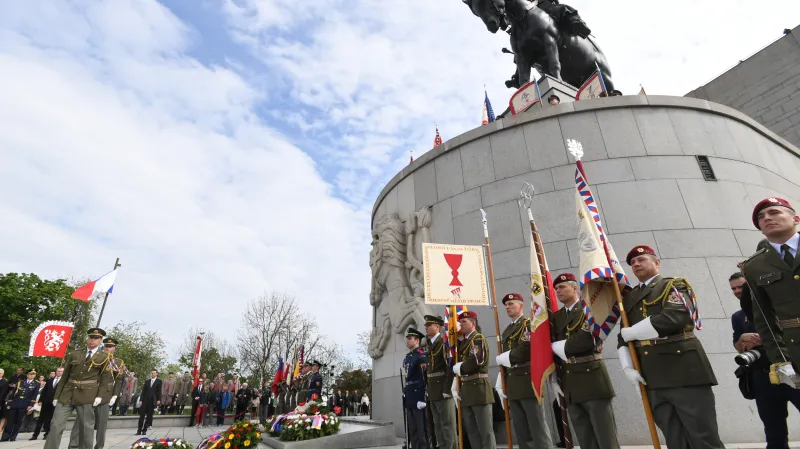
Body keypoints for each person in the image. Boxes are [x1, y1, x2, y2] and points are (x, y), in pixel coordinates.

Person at [617, 245, 723, 449]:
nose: (636, 264)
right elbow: (623, 337)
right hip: (651, 374)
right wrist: (627, 367)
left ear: (657, 263)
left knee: (703, 437)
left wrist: (635, 332)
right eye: (632, 263)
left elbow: (676, 316)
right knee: (674, 439)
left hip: (683, 370)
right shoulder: (629, 298)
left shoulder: (673, 285)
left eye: (642, 259)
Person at [549, 275, 620, 449]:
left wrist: (553, 347)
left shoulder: (589, 308)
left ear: (575, 288)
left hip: (591, 376)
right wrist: (554, 378)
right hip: (569, 380)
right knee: (584, 437)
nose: (558, 291)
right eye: (556, 288)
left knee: (605, 437)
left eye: (562, 287)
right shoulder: (556, 318)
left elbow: (586, 340)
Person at [742, 197, 800, 374]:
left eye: (774, 212)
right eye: (761, 217)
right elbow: (764, 318)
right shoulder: (754, 266)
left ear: (796, 219)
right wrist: (780, 359)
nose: (767, 218)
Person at [495, 293, 551, 449]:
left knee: (537, 426)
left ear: (521, 305)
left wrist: (505, 357)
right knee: (521, 430)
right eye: (506, 305)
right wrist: (503, 380)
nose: (508, 307)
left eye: (511, 304)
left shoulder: (528, 324)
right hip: (513, 382)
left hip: (528, 381)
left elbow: (526, 349)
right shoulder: (506, 330)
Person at [44, 328, 110, 449]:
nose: (92, 340)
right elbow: (64, 376)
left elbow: (105, 380)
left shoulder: (105, 357)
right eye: (91, 337)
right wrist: (57, 396)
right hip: (67, 393)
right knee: (55, 425)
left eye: (96, 338)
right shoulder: (75, 354)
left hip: (87, 394)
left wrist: (99, 396)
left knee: (86, 428)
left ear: (100, 340)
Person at [68, 337, 124, 449]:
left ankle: (99, 446)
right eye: (106, 346)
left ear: (114, 348)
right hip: (88, 393)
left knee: (101, 425)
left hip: (105, 395)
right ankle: (73, 446)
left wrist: (115, 395)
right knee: (80, 422)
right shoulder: (95, 357)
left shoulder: (117, 362)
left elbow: (118, 380)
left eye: (110, 346)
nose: (107, 348)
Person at [451, 311, 495, 449]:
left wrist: (460, 367)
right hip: (466, 388)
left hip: (478, 388)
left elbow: (476, 361)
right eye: (460, 322)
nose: (461, 325)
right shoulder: (463, 342)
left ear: (473, 323)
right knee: (472, 431)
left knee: (485, 431)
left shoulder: (477, 339)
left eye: (464, 322)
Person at [424, 315, 457, 449]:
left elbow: (450, 366)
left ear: (437, 327)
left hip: (443, 387)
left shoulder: (444, 343)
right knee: (437, 424)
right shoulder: (430, 344)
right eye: (426, 325)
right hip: (433, 389)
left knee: (447, 424)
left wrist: (447, 388)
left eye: (429, 325)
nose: (426, 327)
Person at [402, 328, 428, 449]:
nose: (408, 341)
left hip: (418, 393)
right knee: (412, 427)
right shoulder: (408, 356)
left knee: (421, 426)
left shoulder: (421, 355)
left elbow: (423, 376)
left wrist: (422, 396)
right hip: (409, 392)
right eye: (407, 339)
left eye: (410, 339)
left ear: (417, 340)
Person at [2, 369, 40, 441]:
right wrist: (9, 402)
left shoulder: (36, 384)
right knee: (10, 420)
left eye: (33, 374)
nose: (32, 375)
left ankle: (13, 437)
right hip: (15, 402)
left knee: (18, 421)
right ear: (27, 375)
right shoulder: (21, 382)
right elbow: (13, 393)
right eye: (30, 374)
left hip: (25, 403)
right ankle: (5, 437)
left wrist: (31, 405)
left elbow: (34, 395)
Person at [31, 367, 62, 440]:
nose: (59, 372)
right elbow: (44, 391)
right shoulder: (50, 380)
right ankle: (35, 435)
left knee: (50, 419)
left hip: (55, 403)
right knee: (40, 419)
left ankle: (47, 434)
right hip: (46, 402)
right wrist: (40, 400)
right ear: (56, 372)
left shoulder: (63, 381)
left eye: (61, 371)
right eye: (58, 371)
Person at [136, 370, 162, 435]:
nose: (152, 374)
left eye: (154, 373)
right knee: (141, 416)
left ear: (156, 374)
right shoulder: (147, 381)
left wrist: (159, 399)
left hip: (152, 401)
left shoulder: (159, 381)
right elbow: (143, 392)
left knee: (149, 416)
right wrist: (141, 400)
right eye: (152, 373)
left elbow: (159, 391)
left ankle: (144, 430)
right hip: (145, 400)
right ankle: (139, 430)